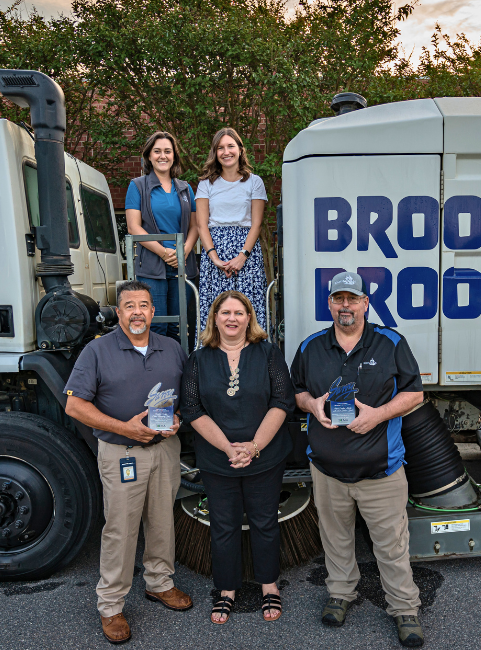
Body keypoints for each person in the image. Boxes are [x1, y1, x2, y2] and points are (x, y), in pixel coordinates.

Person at [291, 271, 426, 648]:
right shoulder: (311, 346)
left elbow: (415, 395)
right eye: (338, 299)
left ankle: (404, 608)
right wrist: (311, 403)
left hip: (380, 470)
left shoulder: (390, 342)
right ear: (330, 304)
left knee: (391, 544)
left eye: (353, 299)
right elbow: (296, 392)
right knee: (334, 539)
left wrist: (377, 415)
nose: (345, 306)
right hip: (327, 469)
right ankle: (340, 593)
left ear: (366, 303)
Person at [64, 280, 193, 644]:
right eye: (130, 306)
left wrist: (179, 416)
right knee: (120, 528)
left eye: (144, 305)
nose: (138, 312)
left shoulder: (171, 349)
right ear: (118, 313)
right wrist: (125, 428)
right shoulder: (97, 351)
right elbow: (75, 405)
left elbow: (185, 397)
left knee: (163, 520)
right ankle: (110, 605)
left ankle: (159, 583)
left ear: (153, 311)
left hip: (165, 448)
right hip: (122, 451)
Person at [179, 290, 295, 625]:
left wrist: (255, 446)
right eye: (225, 312)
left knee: (264, 522)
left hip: (266, 455)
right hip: (219, 459)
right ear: (214, 318)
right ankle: (226, 589)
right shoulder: (199, 359)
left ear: (249, 318)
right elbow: (191, 409)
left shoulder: (269, 354)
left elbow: (282, 402)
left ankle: (269, 586)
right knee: (224, 526)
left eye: (239, 313)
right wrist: (230, 449)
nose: (232, 318)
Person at [125, 131, 199, 345]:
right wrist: (164, 252)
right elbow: (133, 226)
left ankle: (179, 375)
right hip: (151, 267)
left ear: (174, 156)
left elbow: (195, 226)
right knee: (156, 325)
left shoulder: (186, 189)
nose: (162, 156)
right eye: (157, 151)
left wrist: (183, 250)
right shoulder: (137, 186)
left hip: (182, 265)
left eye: (167, 151)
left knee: (180, 326)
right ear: (149, 156)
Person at [194, 127, 269, 333]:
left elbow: (256, 224)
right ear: (215, 153)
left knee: (248, 306)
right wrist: (214, 258)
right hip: (215, 251)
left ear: (240, 150)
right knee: (217, 309)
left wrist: (243, 256)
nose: (226, 152)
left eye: (230, 146)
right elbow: (201, 225)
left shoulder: (254, 182)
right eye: (220, 148)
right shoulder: (206, 184)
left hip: (246, 252)